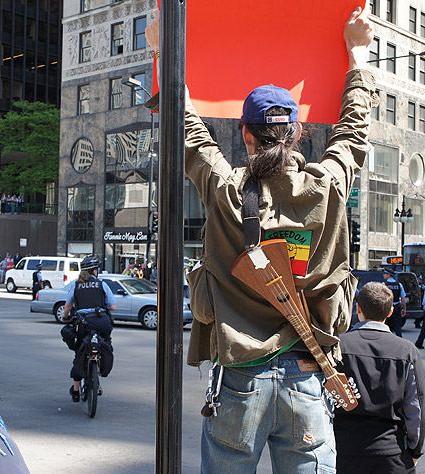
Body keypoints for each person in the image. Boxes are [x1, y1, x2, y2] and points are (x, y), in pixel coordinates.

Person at [146, 7, 376, 473]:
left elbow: (187, 130)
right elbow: (354, 131)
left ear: (245, 134)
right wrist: (357, 53)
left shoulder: (226, 189)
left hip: (239, 379)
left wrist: (162, 50)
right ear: (297, 134)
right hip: (311, 374)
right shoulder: (328, 186)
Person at [334, 282, 425, 473]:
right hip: (393, 452)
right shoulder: (407, 351)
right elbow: (416, 406)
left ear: (357, 308)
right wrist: (415, 450)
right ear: (391, 311)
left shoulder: (338, 347)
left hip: (345, 450)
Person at [62, 256, 116, 403]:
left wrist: (65, 317)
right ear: (95, 271)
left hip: (83, 324)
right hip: (101, 323)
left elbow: (68, 306)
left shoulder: (76, 285)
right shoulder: (101, 285)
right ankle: (101, 363)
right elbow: (113, 306)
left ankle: (75, 390)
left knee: (79, 352)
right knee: (106, 344)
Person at [383, 269, 407, 337]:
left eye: (384, 274)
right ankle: (399, 342)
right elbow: (403, 298)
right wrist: (404, 309)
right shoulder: (399, 284)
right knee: (397, 327)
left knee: (386, 327)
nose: (383, 275)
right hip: (396, 307)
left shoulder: (384, 285)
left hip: (387, 307)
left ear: (388, 275)